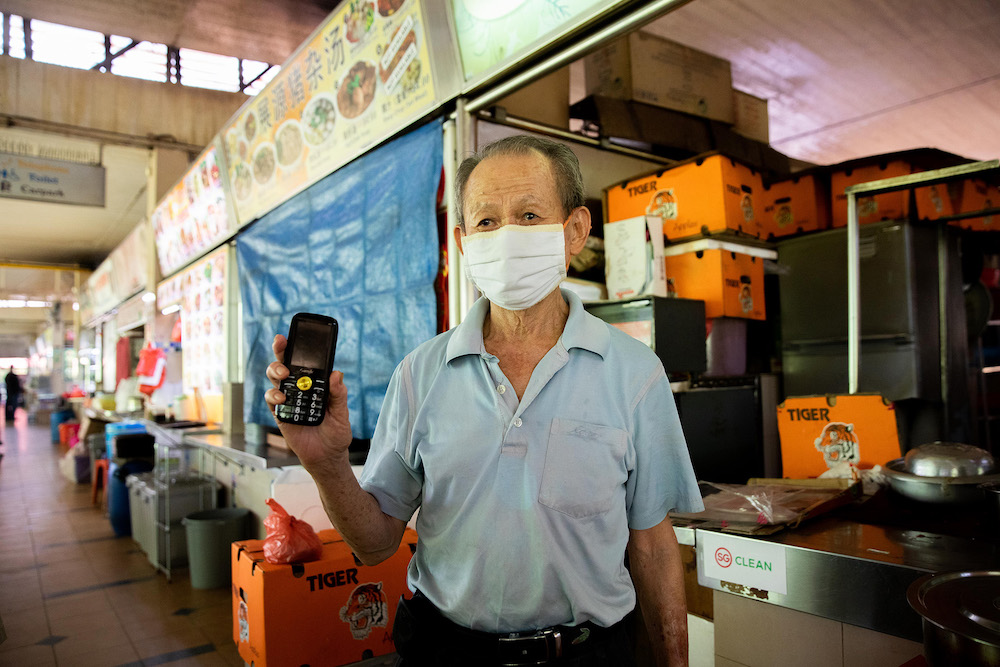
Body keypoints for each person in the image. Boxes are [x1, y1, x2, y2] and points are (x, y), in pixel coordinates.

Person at [265, 135, 704, 666]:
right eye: (487, 221)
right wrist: (326, 464)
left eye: (529, 215)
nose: (507, 237)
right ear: (464, 241)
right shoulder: (419, 374)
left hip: (588, 654)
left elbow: (653, 544)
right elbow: (375, 545)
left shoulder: (635, 373)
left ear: (575, 231)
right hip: (444, 653)